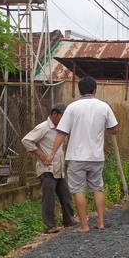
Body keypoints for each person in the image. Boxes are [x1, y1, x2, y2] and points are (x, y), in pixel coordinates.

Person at [45, 76, 119, 233]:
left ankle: (84, 225)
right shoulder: (104, 107)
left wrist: (52, 153)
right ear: (94, 90)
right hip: (96, 157)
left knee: (78, 190)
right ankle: (100, 222)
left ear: (79, 91)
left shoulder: (72, 108)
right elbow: (114, 129)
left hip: (77, 156)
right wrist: (107, 128)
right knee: (97, 188)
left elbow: (62, 133)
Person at [21, 103, 77, 234]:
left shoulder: (61, 129)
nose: (64, 119)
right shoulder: (43, 127)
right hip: (47, 169)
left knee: (66, 196)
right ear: (54, 114)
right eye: (62, 116)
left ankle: (69, 221)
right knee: (49, 199)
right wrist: (41, 156)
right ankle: (49, 226)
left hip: (59, 169)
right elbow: (26, 140)